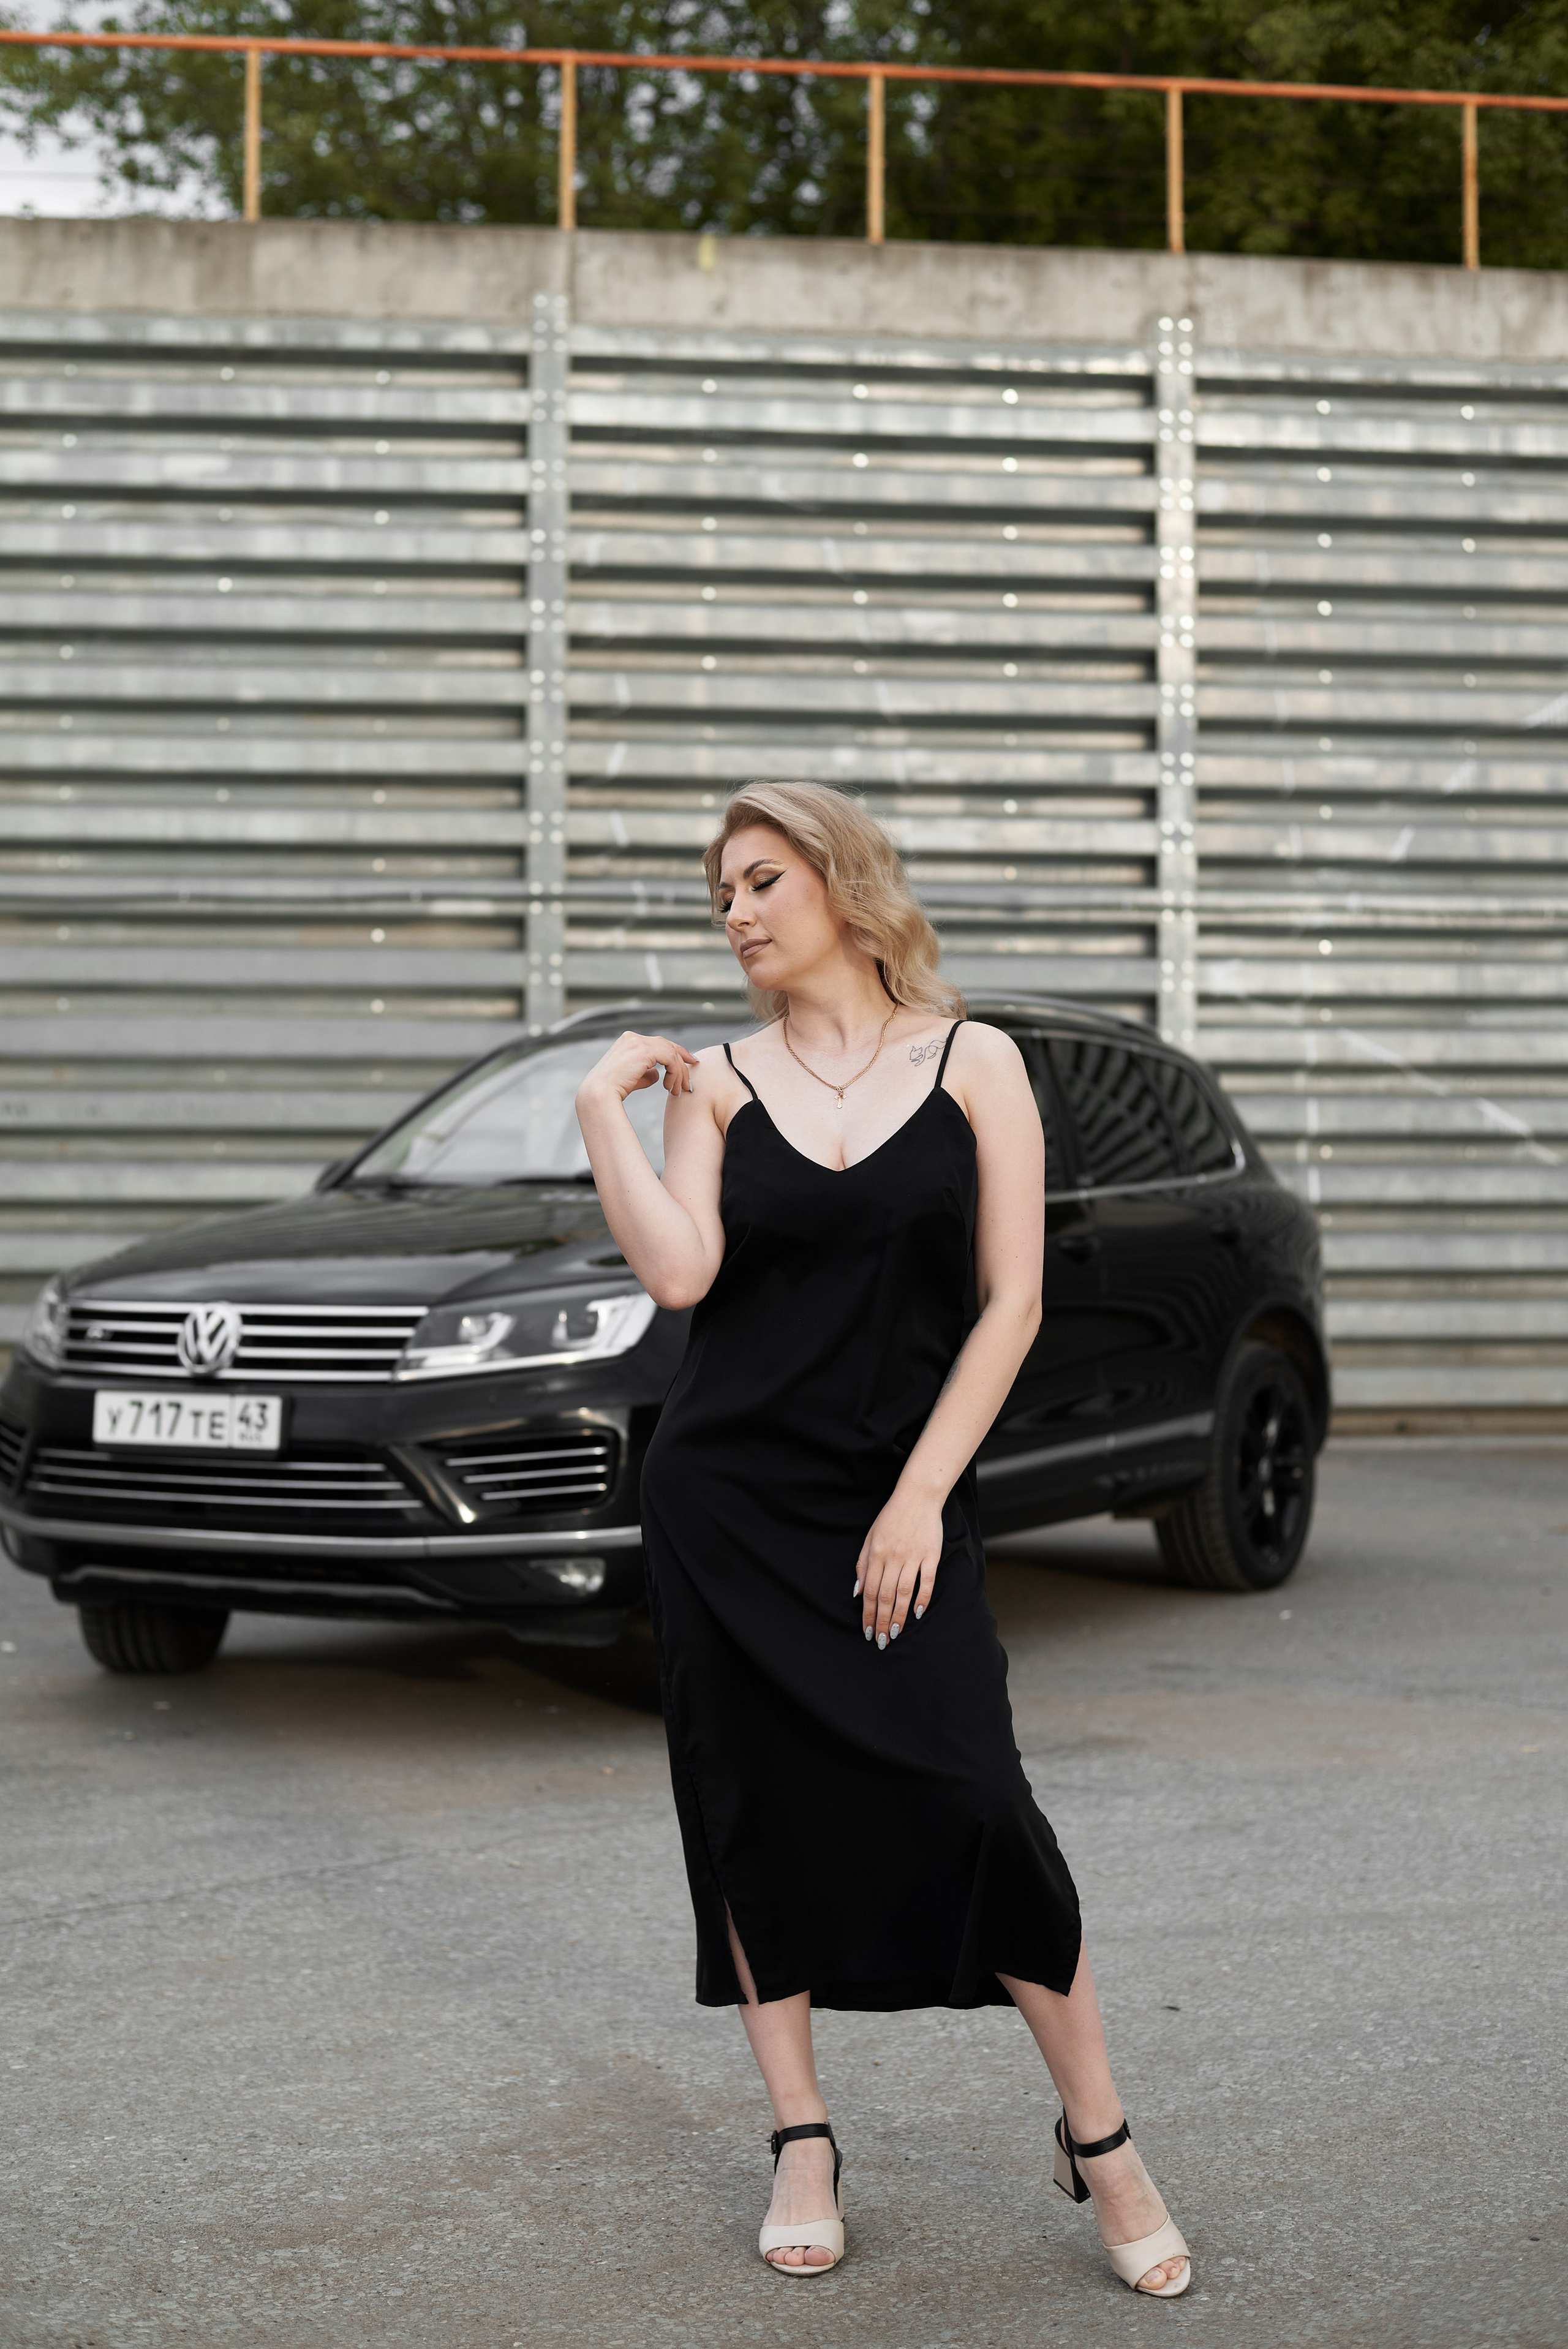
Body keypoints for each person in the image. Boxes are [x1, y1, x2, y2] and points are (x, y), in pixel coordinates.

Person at [574, 781, 1190, 2296]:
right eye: (718, 893)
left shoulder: (975, 1062)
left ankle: (1099, 2134)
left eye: (758, 881)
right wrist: (607, 1114)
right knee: (745, 1807)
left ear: (841, 886)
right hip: (727, 1504)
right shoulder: (712, 1081)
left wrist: (919, 1493)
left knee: (977, 1796)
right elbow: (680, 1274)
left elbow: (1013, 1302)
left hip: (900, 1494)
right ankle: (800, 2133)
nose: (733, 915)